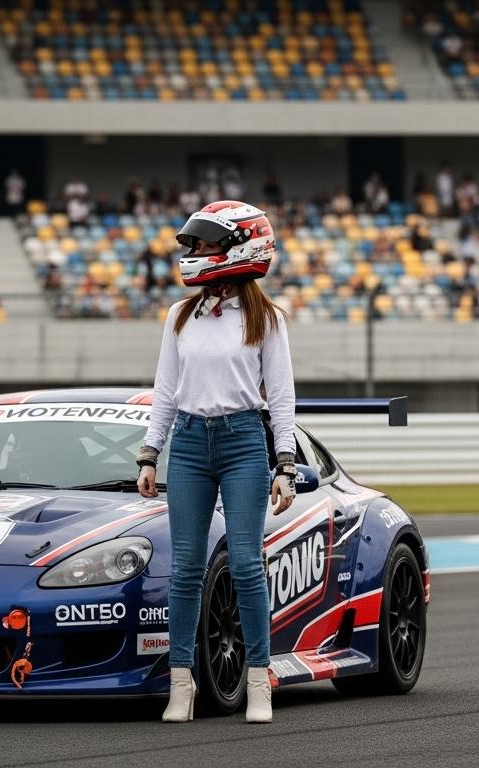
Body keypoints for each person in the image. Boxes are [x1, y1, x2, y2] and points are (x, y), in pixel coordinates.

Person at [134, 200, 298, 725]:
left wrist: (286, 462)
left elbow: (282, 397)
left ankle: (259, 682)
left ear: (237, 247)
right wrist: (149, 453)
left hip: (244, 442)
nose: (194, 253)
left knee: (247, 564)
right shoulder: (179, 315)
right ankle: (180, 685)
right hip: (187, 443)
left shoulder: (266, 318)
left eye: (203, 244)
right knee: (184, 569)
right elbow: (164, 391)